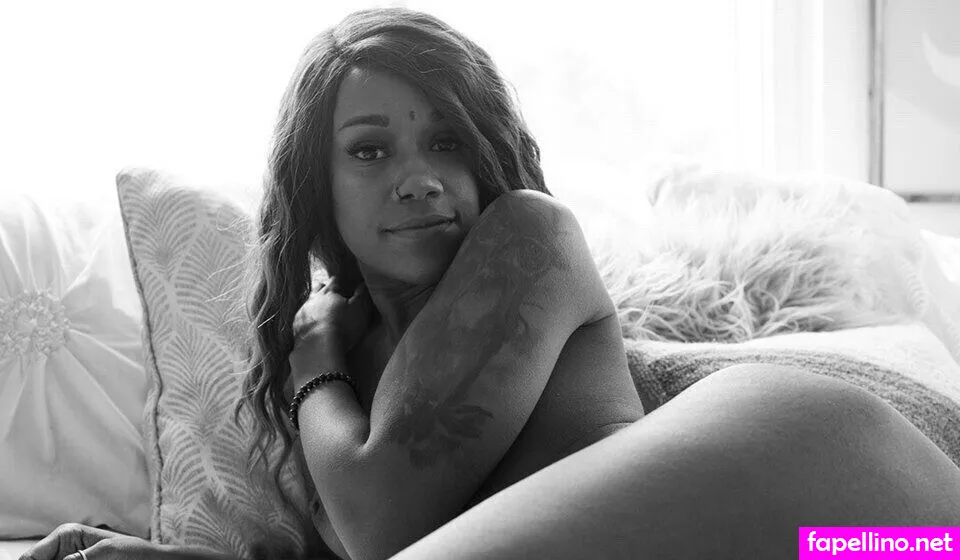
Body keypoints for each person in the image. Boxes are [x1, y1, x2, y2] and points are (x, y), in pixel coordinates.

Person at [23, 7, 960, 560]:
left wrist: (313, 361)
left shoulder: (528, 238)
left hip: (862, 521)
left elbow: (388, 531)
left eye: (447, 143)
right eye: (370, 150)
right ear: (317, 186)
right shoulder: (358, 358)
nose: (418, 178)